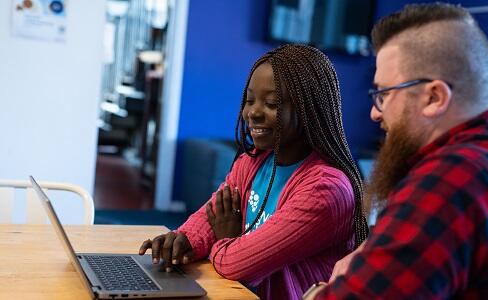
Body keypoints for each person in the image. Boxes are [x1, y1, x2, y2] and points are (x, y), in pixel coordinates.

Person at [307, 3, 488, 299]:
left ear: (434, 97)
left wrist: (320, 291)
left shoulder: (450, 181)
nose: (374, 113)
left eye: (383, 94)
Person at [138, 44, 368, 300]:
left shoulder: (327, 189)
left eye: (272, 103)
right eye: (249, 100)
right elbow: (211, 215)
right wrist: (184, 239)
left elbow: (235, 264)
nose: (253, 113)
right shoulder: (253, 160)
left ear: (309, 109)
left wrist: (228, 238)